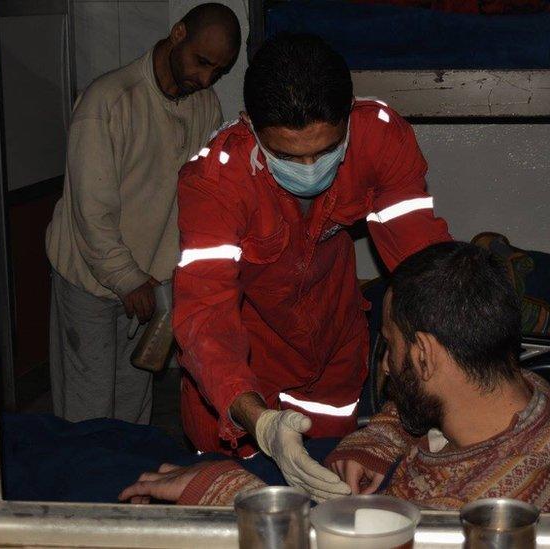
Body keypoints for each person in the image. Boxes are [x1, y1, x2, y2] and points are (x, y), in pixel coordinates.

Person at [173, 32, 452, 499]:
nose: (309, 168)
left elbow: (424, 264)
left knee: (341, 489)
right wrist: (260, 424)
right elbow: (205, 315)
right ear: (249, 125)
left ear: (348, 117)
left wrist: (449, 379)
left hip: (333, 354)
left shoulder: (378, 136)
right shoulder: (216, 181)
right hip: (239, 375)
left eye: (326, 150)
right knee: (234, 505)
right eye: (286, 155)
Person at [120, 242, 550, 511]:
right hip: (361, 486)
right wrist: (370, 447)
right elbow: (418, 411)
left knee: (106, 474)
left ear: (423, 354)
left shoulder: (475, 513)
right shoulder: (527, 395)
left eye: (391, 346)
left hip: (295, 518)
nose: (385, 366)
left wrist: (230, 494)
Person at [45, 4, 240, 424]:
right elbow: (90, 213)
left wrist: (175, 279)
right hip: (91, 284)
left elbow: (204, 200)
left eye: (218, 72)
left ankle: (127, 488)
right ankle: (84, 490)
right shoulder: (108, 102)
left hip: (151, 289)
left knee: (134, 414)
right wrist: (129, 278)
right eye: (201, 62)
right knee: (89, 416)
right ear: (177, 33)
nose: (206, 80)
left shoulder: (204, 107)